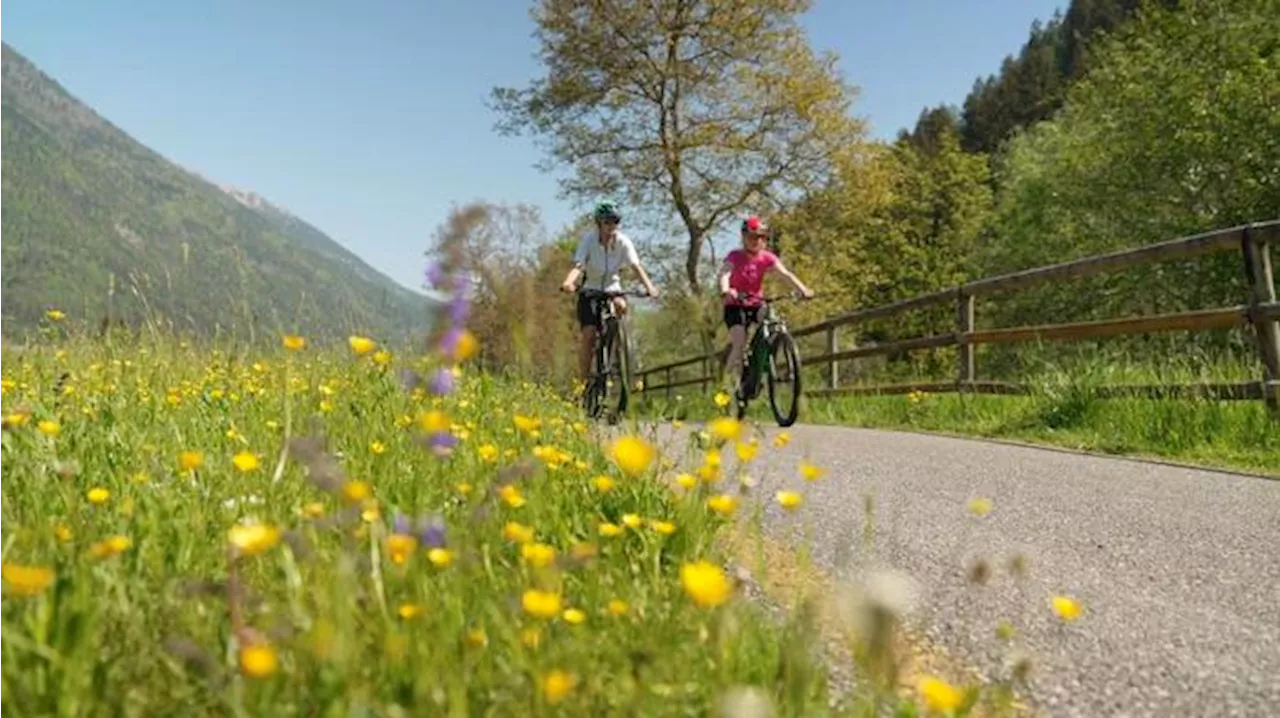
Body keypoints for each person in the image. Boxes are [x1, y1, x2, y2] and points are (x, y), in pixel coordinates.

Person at [559, 201, 660, 383]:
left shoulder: (623, 241)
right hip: (590, 290)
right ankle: (583, 381)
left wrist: (649, 287)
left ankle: (620, 351)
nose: (611, 226)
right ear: (599, 223)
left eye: (615, 222)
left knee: (620, 305)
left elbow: (636, 266)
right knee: (589, 335)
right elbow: (579, 265)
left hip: (613, 289)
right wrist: (569, 282)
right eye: (607, 222)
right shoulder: (589, 240)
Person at [718, 215, 813, 388]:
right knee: (739, 342)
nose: (757, 241)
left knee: (771, 319)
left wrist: (803, 289)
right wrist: (726, 290)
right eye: (752, 237)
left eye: (761, 237)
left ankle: (767, 360)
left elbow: (785, 274)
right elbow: (725, 273)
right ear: (744, 238)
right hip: (735, 305)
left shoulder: (767, 257)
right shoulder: (735, 256)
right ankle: (726, 386)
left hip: (755, 302)